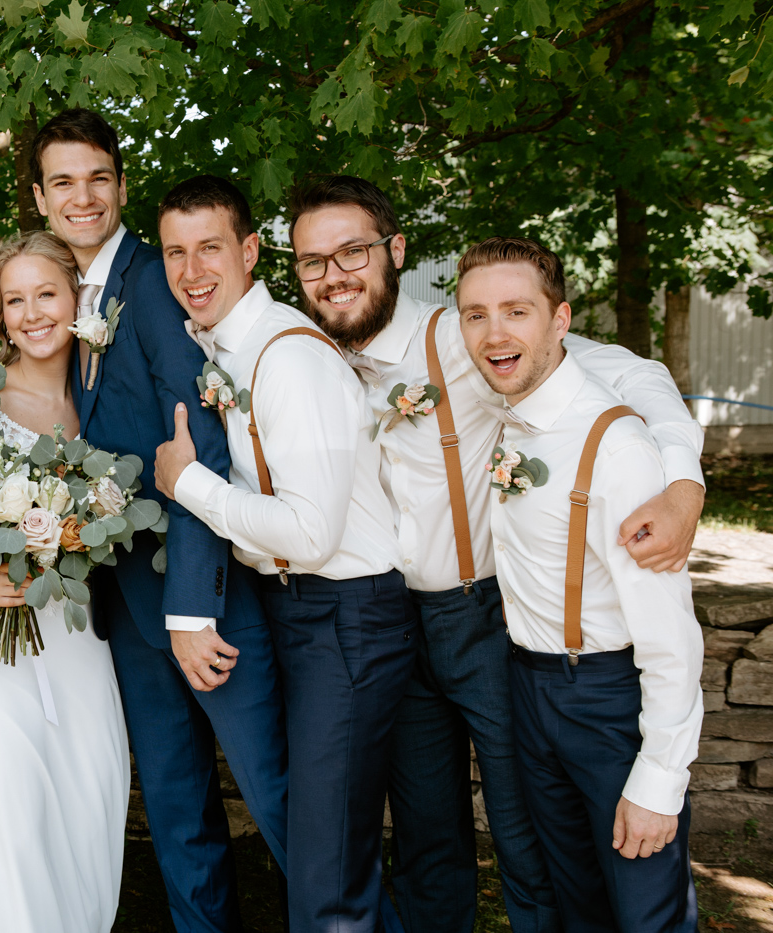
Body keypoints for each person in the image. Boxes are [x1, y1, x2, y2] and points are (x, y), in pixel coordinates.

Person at [286, 176, 707, 933]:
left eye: (352, 250)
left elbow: (633, 377)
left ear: (394, 250)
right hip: (388, 617)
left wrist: (682, 484)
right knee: (423, 834)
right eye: (312, 261)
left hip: (485, 618)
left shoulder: (468, 333)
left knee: (525, 835)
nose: (334, 273)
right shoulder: (309, 355)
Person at [29, 109, 289, 933]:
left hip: (200, 598)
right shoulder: (62, 295)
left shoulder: (152, 279)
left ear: (122, 185)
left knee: (279, 799)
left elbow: (198, 439)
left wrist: (191, 608)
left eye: (98, 178)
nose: (83, 196)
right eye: (63, 182)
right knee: (178, 810)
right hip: (127, 603)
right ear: (40, 199)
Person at [152, 175, 415, 933]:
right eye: (175, 252)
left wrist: (189, 483)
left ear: (250, 251)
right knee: (328, 860)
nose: (192, 270)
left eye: (210, 248)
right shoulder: (229, 348)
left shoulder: (289, 358)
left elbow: (308, 534)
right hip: (303, 615)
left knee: (328, 881)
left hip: (349, 620)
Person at [457, 237, 701, 931]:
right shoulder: (511, 411)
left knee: (644, 908)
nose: (495, 332)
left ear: (560, 321)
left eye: (517, 310)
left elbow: (671, 639)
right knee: (577, 903)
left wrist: (660, 778)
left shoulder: (618, 448)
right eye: (476, 315)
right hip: (529, 690)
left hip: (607, 702)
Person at [0, 230, 130, 932]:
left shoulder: (105, 397)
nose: (33, 312)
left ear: (78, 300)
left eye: (47, 294)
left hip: (71, 631)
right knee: (5, 822)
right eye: (15, 299)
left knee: (88, 805)